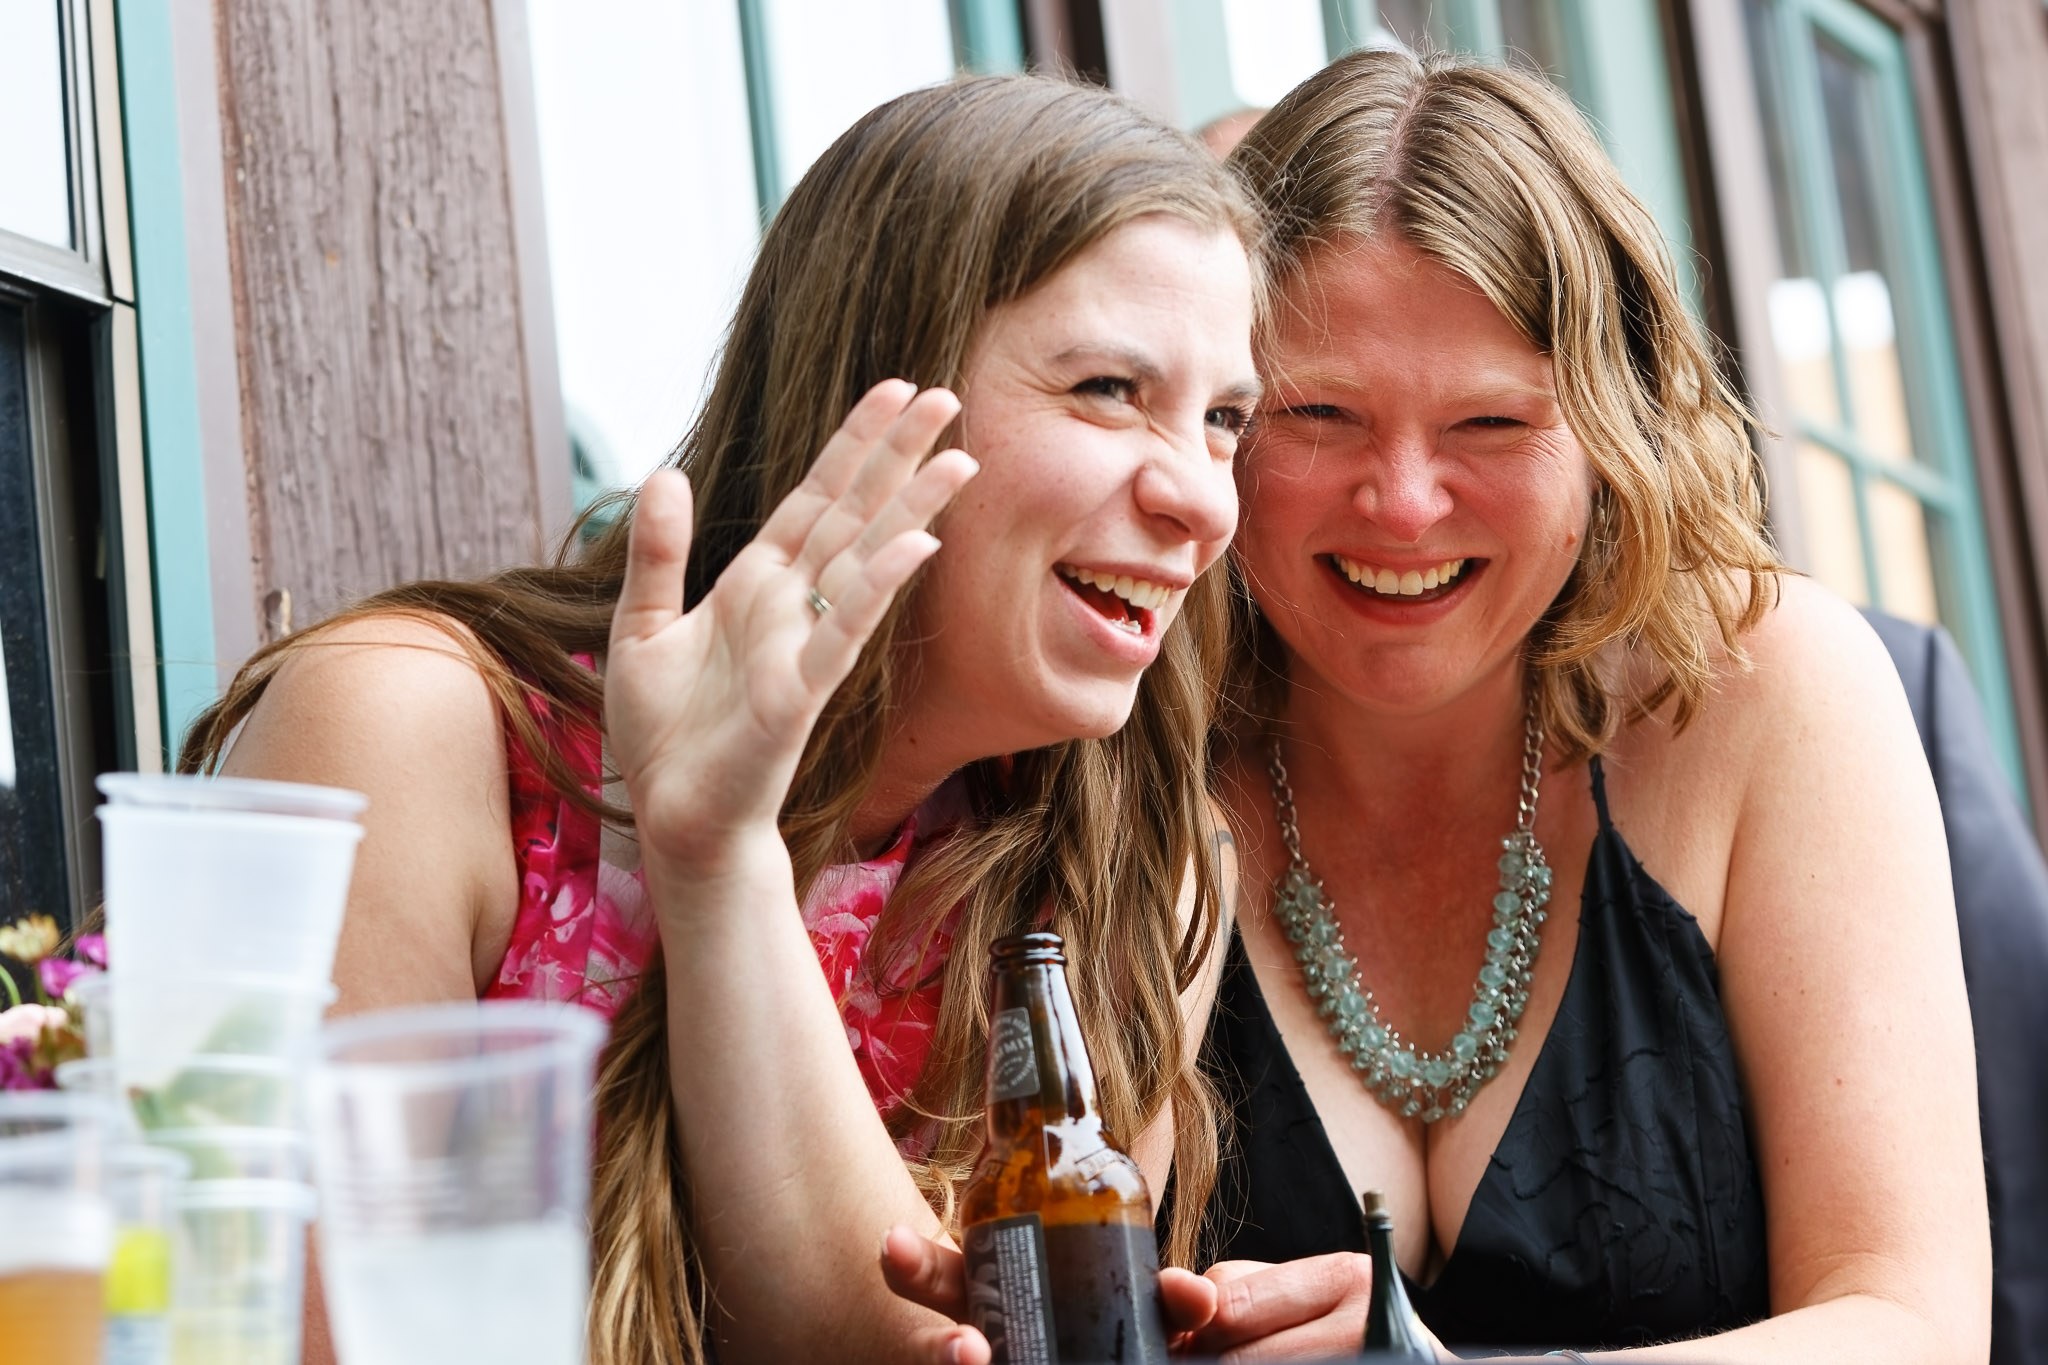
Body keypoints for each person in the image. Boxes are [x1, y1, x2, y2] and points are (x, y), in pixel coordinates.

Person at [179, 74, 1267, 1365]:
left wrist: (724, 857)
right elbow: (265, 1334)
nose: (1203, 498)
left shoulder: (1140, 860)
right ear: (878, 384)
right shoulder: (411, 730)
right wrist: (714, 844)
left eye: (1225, 419)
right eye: (1106, 388)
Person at [1178, 46, 1989, 1361]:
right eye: (1320, 413)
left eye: (1490, 426)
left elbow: (1913, 1324)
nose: (1402, 501)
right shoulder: (1138, 734)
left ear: (1616, 436)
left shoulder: (1770, 689)